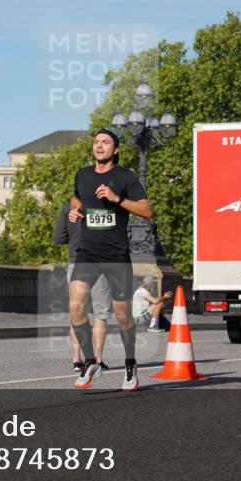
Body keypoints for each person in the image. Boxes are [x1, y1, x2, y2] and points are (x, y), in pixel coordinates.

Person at [69, 129, 153, 390]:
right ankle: (91, 361)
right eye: (96, 142)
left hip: (116, 255)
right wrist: (75, 211)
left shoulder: (125, 177)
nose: (99, 145)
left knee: (123, 316)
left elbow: (147, 210)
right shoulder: (83, 175)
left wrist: (118, 199)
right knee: (75, 307)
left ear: (115, 150)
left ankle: (130, 364)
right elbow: (77, 198)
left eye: (105, 142)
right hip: (88, 253)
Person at [53, 201, 110, 372]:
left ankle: (77, 360)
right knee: (101, 313)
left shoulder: (67, 207)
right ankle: (98, 360)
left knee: (77, 313)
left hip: (76, 262)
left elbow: (58, 238)